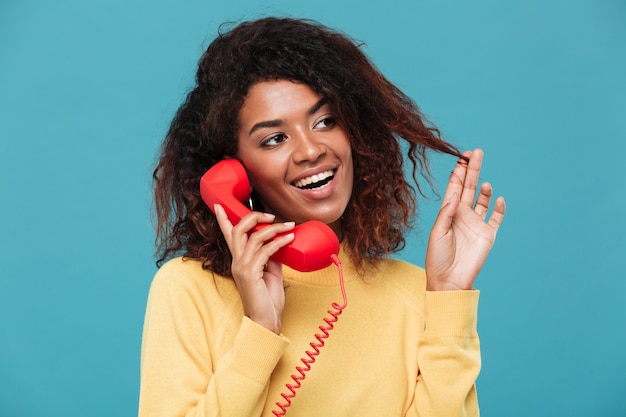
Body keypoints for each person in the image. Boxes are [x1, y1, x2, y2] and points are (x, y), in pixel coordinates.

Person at [138, 17, 506, 417]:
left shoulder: (416, 293)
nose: (311, 150)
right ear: (235, 172)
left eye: (325, 121)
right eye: (275, 138)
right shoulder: (188, 290)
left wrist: (449, 300)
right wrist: (259, 332)